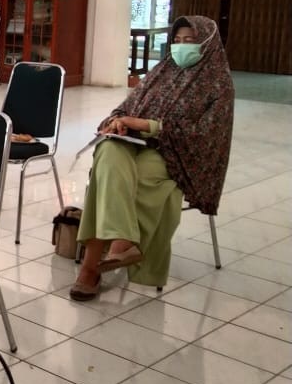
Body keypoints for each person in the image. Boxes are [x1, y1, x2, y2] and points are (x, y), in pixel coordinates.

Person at [69, 15, 234, 301]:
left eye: (190, 41)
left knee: (109, 175)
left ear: (207, 44)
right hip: (133, 144)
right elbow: (126, 108)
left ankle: (90, 267)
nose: (181, 47)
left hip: (173, 157)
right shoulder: (162, 71)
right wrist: (117, 121)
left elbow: (205, 138)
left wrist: (146, 125)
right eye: (177, 41)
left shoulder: (218, 85)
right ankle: (125, 242)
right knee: (108, 150)